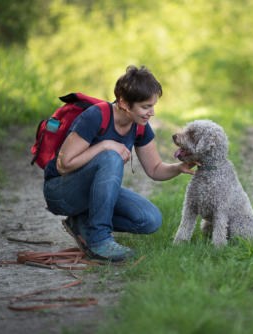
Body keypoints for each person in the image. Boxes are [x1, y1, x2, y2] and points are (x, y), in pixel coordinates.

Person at [43, 65, 198, 262]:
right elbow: (63, 164)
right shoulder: (96, 116)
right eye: (145, 107)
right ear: (124, 103)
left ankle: (81, 222)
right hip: (61, 192)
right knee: (110, 155)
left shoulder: (139, 125)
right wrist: (105, 145)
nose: (152, 113)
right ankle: (99, 240)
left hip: (90, 193)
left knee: (150, 220)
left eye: (153, 106)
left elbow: (155, 169)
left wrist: (179, 168)